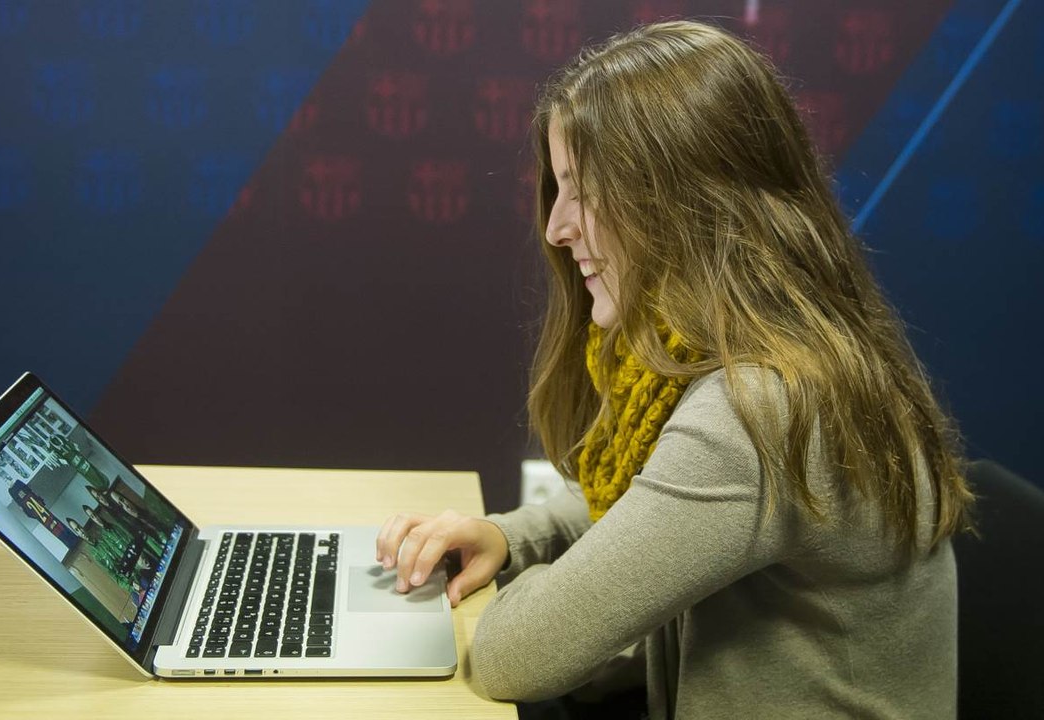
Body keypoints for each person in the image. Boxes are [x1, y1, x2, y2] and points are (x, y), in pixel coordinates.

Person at [375, 20, 973, 719]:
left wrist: (521, 599)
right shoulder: (793, 345)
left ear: (685, 201)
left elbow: (514, 657)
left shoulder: (755, 411)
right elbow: (654, 503)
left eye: (583, 191)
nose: (557, 227)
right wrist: (512, 540)